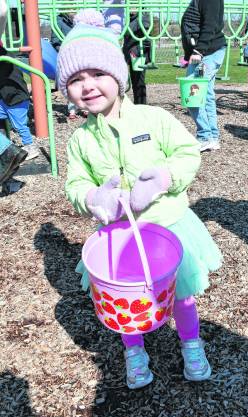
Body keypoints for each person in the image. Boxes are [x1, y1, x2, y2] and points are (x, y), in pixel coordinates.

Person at [57, 10, 222, 390]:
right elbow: (75, 184)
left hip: (167, 226)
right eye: (76, 80)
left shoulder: (153, 118)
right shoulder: (80, 140)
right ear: (66, 90)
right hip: (118, 237)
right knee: (123, 299)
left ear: (118, 75)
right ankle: (134, 349)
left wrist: (164, 177)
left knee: (180, 295)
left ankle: (191, 343)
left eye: (97, 74)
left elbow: (187, 153)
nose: (88, 86)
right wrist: (92, 197)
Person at [181, 0, 226, 152]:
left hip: (206, 55)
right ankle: (211, 137)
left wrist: (198, 51)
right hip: (209, 53)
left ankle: (204, 136)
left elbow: (210, 26)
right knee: (206, 96)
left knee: (192, 94)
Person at [0, 45, 39, 160]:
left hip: (17, 99)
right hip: (6, 98)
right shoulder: (6, 57)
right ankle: (5, 146)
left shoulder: (5, 59)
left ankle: (30, 147)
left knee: (20, 126)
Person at [51, 12, 88, 120]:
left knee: (85, 81)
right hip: (69, 56)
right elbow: (55, 41)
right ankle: (72, 109)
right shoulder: (59, 21)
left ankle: (86, 108)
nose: (72, 10)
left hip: (83, 55)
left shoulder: (83, 19)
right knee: (72, 83)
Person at [122, 11, 151, 105]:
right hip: (130, 55)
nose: (131, 8)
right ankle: (137, 104)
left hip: (139, 55)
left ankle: (142, 105)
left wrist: (135, 52)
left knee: (139, 82)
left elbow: (146, 41)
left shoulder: (143, 18)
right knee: (135, 82)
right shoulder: (129, 19)